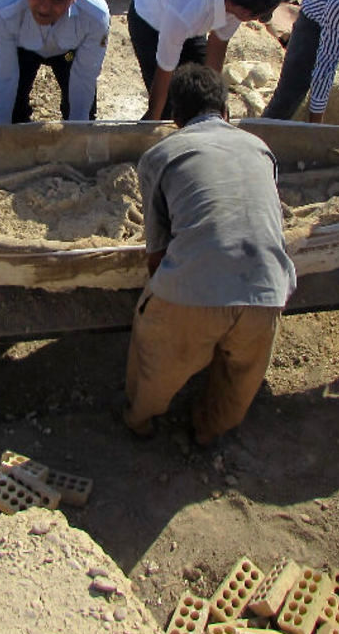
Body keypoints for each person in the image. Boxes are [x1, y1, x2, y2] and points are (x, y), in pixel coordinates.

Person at [122, 64, 297, 446]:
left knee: (157, 359)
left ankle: (140, 421)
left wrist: (160, 302)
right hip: (269, 290)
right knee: (241, 375)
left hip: (194, 292)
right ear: (227, 112)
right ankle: (209, 430)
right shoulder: (260, 148)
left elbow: (156, 252)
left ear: (175, 117)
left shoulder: (160, 155)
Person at [128, 0, 292, 121]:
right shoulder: (186, 10)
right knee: (170, 108)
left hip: (192, 21)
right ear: (244, 11)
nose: (260, 20)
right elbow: (165, 68)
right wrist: (154, 119)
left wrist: (219, 105)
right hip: (149, 20)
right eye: (262, 16)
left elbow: (217, 48)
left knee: (203, 96)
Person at [0, 0, 110, 125]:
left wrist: (78, 137)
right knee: (14, 111)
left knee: (80, 116)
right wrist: (1, 136)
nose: (44, 7)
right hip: (23, 51)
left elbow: (84, 77)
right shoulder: (5, 11)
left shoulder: (94, 17)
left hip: (68, 54)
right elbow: (3, 77)